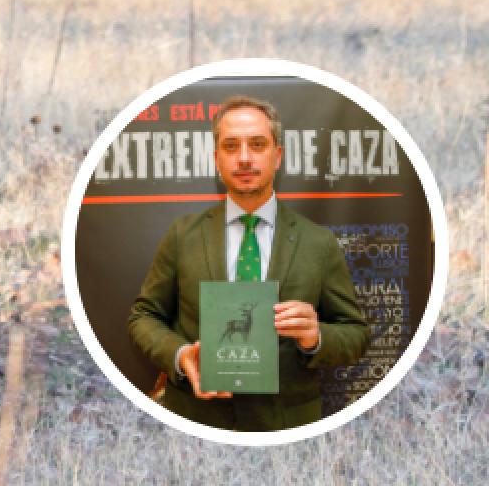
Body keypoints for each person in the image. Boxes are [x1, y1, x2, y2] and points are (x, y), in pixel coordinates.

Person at [128, 96, 370, 430]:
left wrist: (316, 337)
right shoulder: (183, 235)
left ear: (278, 155)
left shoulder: (319, 243)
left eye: (257, 145)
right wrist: (181, 355)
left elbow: (355, 335)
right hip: (196, 420)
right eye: (230, 146)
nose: (244, 158)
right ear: (216, 158)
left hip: (289, 424)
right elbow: (144, 316)